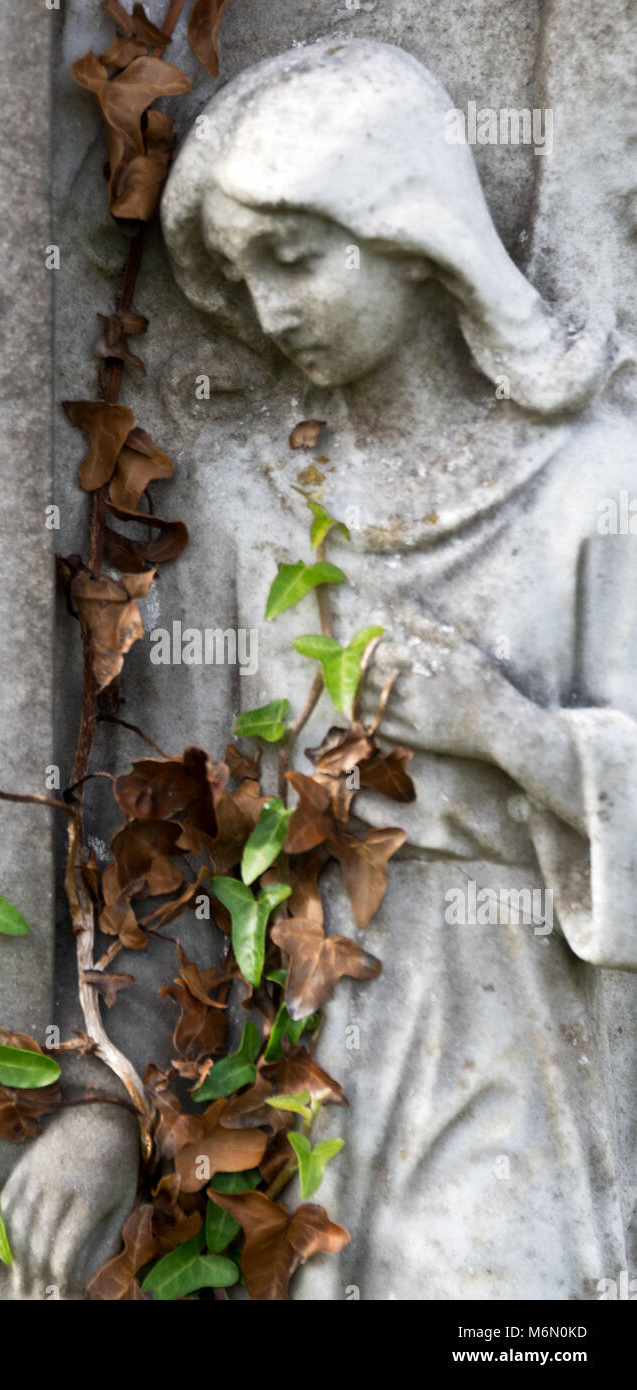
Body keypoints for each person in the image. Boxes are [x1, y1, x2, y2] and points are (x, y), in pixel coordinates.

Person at [160, 38, 637, 1298]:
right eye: (243, 279)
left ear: (412, 234)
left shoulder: (594, 486)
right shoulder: (246, 508)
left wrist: (506, 729)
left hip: (518, 1035)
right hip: (302, 1050)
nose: (270, 312)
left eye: (298, 259)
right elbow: (169, 829)